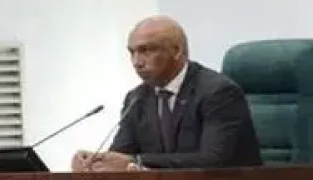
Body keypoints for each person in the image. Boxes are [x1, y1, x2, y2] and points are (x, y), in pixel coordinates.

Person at [72, 16, 262, 172]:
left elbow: (213, 160)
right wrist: (97, 163)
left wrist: (137, 161)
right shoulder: (137, 98)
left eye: (145, 51)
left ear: (176, 50)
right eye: (132, 52)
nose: (137, 62)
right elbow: (122, 155)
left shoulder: (218, 92)